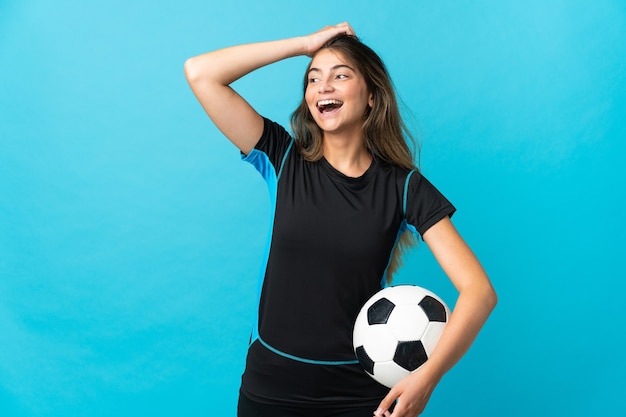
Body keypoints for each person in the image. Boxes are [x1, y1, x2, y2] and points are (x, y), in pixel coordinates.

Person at [184, 22, 497, 417]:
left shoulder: (404, 188)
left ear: (371, 96)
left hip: (359, 398)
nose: (323, 87)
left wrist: (427, 378)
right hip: (270, 391)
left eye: (340, 75)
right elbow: (201, 73)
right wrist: (304, 45)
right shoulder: (284, 159)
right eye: (313, 79)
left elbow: (479, 292)